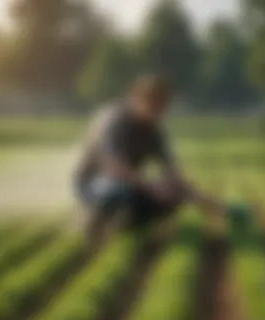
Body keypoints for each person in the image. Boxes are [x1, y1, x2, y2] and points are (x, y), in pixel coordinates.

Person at [73, 74, 246, 247]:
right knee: (119, 189)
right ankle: (91, 221)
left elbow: (174, 174)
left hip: (128, 184)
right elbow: (116, 167)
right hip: (93, 183)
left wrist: (219, 208)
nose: (159, 111)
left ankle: (126, 225)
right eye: (154, 104)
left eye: (162, 106)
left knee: (171, 193)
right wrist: (151, 189)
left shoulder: (153, 130)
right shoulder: (114, 120)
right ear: (136, 97)